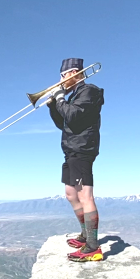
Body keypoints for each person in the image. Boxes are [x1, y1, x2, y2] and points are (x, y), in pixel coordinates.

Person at [46, 58, 105, 262]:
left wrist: (61, 99)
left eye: (63, 76)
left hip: (82, 149)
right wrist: (54, 106)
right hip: (71, 150)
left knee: (85, 195)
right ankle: (85, 235)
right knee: (71, 194)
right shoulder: (73, 96)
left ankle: (92, 247)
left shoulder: (89, 91)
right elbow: (63, 123)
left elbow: (73, 116)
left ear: (74, 73)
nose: (61, 80)